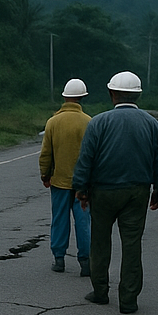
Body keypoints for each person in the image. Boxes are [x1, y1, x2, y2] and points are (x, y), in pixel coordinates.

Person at [71, 70, 158, 314]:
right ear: (139, 96)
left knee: (100, 242)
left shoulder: (98, 122)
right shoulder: (152, 124)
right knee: (132, 244)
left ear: (112, 93)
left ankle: (100, 291)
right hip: (137, 192)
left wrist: (81, 189)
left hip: (103, 191)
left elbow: (86, 159)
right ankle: (129, 299)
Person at [39, 78, 91, 273]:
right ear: (82, 98)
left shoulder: (53, 122)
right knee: (84, 222)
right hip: (82, 185)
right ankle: (85, 261)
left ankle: (59, 259)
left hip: (59, 181)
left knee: (60, 219)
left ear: (64, 97)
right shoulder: (89, 121)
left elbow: (46, 154)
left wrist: (46, 174)